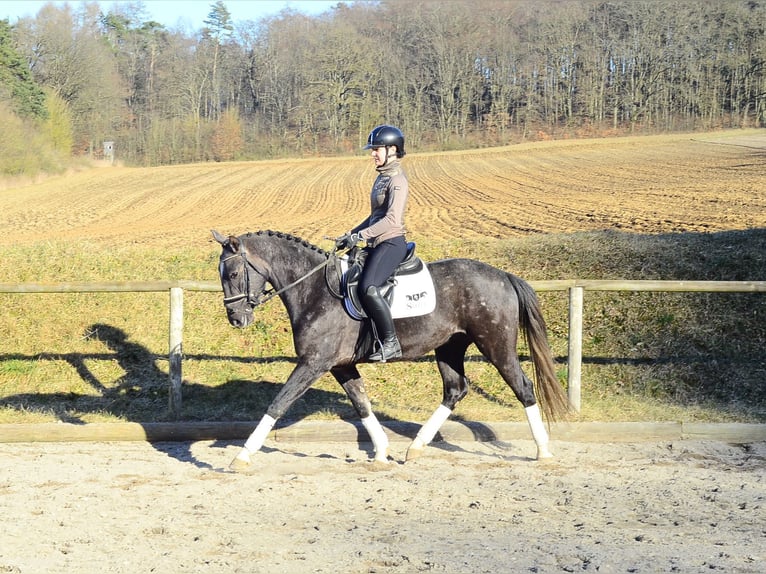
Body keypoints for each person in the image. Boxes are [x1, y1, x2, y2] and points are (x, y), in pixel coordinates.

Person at [336, 125, 409, 362]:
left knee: (368, 287)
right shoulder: (381, 178)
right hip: (375, 242)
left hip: (391, 242)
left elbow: (391, 219)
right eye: (373, 149)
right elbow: (374, 216)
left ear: (392, 149)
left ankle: (391, 343)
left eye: (376, 149)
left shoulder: (397, 180)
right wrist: (350, 234)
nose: (372, 154)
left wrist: (360, 237)